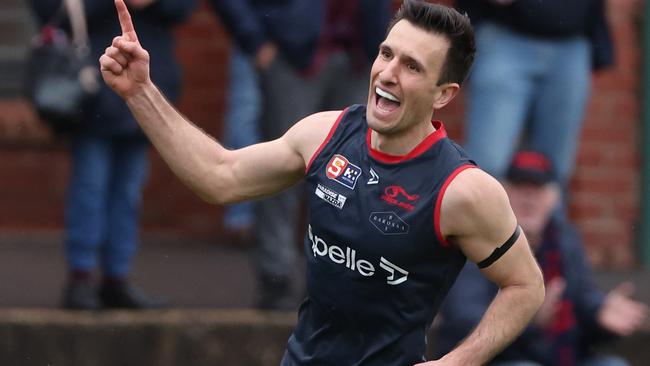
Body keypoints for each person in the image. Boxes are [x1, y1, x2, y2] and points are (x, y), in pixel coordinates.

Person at [101, 0, 545, 364]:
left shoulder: (463, 190)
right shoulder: (325, 134)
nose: (388, 73)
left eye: (412, 67)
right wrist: (140, 92)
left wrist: (456, 363)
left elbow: (526, 286)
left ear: (443, 94)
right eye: (386, 53)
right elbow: (220, 177)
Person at [209, 0, 392, 310]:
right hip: (293, 52)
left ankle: (332, 282)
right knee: (281, 170)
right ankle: (275, 276)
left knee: (349, 178)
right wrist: (255, 41)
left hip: (359, 54)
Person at [29, 0, 197, 310]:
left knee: (129, 191)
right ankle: (81, 278)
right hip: (90, 87)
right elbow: (48, 10)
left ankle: (116, 279)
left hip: (148, 84)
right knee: (89, 189)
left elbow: (183, 9)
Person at [433, 151, 648, 366]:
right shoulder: (477, 239)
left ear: (554, 199)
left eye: (537, 189)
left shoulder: (565, 241)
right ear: (502, 194)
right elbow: (463, 320)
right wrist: (528, 320)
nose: (528, 198)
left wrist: (599, 315)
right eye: (520, 187)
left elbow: (583, 301)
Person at [456, 0, 613, 210]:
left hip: (572, 38)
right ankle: (475, 239)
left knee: (553, 175)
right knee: (487, 166)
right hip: (504, 33)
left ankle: (550, 242)